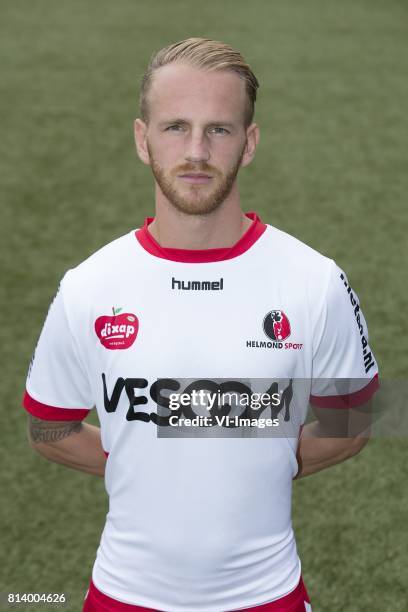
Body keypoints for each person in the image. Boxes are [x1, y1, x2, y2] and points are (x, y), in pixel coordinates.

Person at [23, 38, 379, 612]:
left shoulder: (314, 281)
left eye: (219, 129)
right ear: (143, 140)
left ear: (250, 142)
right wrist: (140, 462)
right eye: (174, 127)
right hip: (121, 595)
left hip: (268, 595)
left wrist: (265, 461)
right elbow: (48, 428)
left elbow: (355, 421)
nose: (196, 150)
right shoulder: (89, 286)